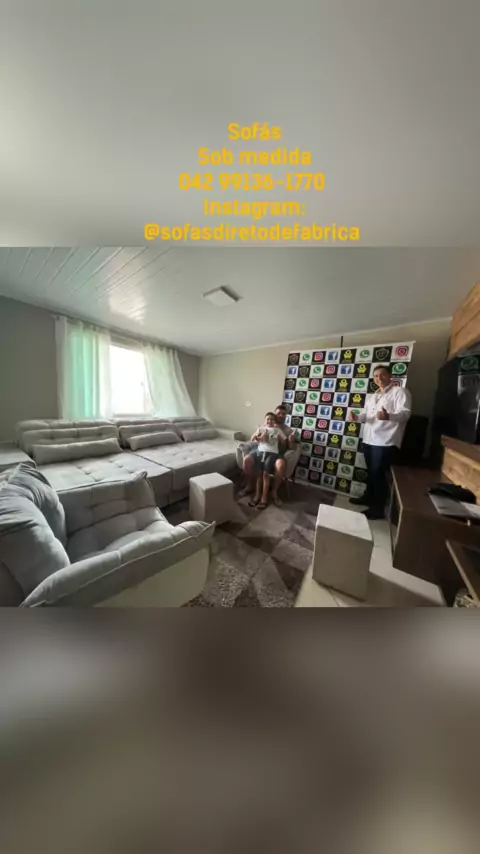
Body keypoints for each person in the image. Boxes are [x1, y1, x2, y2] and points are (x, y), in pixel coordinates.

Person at [348, 364, 411, 520]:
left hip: (385, 441)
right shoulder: (373, 396)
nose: (379, 378)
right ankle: (368, 497)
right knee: (371, 473)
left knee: (379, 475)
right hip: (369, 439)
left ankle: (377, 509)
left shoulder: (400, 392)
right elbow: (366, 415)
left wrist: (388, 416)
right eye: (376, 376)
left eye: (382, 374)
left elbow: (405, 414)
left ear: (390, 376)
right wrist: (357, 418)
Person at [241, 404, 298, 506]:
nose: (281, 415)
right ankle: (250, 486)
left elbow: (291, 447)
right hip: (260, 450)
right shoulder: (263, 427)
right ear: (275, 414)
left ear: (286, 416)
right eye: (279, 413)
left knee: (279, 466)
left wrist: (291, 441)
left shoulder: (287, 430)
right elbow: (254, 439)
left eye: (283, 414)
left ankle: (274, 492)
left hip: (276, 453)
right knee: (247, 460)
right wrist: (259, 437)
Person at [249, 412, 282, 508]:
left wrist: (280, 438)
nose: (269, 421)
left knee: (265, 474)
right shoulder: (261, 428)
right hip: (260, 453)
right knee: (259, 474)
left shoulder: (277, 430)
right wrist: (256, 436)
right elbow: (252, 438)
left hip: (272, 454)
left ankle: (264, 498)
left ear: (275, 421)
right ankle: (257, 496)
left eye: (272, 419)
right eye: (268, 419)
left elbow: (284, 441)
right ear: (265, 420)